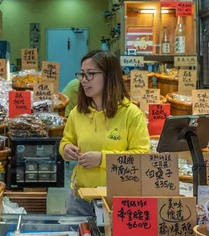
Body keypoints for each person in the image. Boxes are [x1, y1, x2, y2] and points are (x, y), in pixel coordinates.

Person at [59, 50, 150, 216]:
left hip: (117, 202)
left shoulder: (131, 114)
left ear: (109, 76)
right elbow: (66, 140)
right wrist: (66, 149)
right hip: (79, 199)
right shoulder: (77, 113)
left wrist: (102, 159)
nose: (84, 81)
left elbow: (141, 158)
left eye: (91, 74)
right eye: (82, 74)